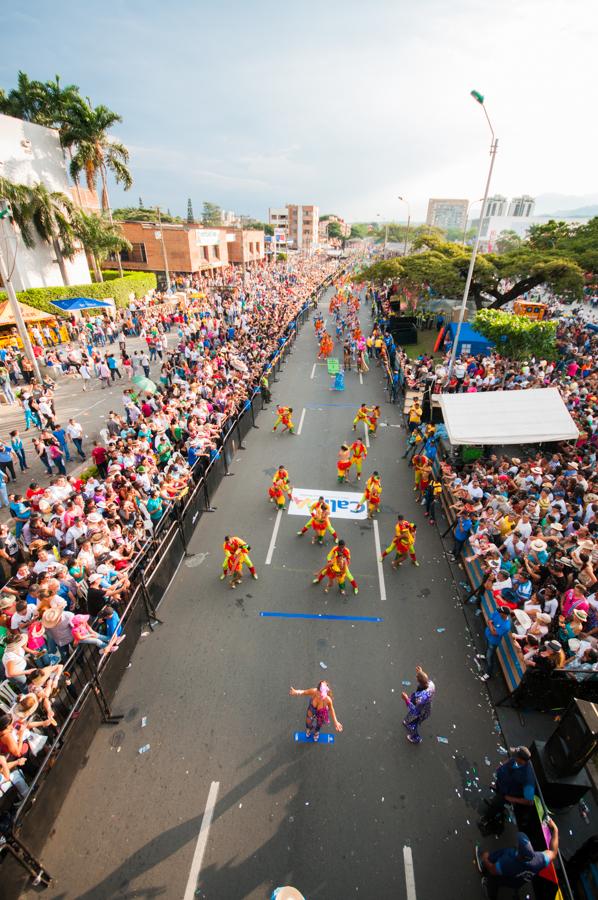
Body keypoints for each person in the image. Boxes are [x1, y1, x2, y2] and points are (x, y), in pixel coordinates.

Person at [477, 823, 559, 897]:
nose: (517, 843)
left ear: (520, 853)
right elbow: (553, 852)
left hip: (510, 876)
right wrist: (555, 829)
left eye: (519, 845)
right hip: (519, 882)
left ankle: (490, 892)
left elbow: (492, 870)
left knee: (495, 879)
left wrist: (485, 859)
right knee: (508, 851)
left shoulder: (509, 863)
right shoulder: (540, 859)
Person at [478, 747, 535, 833]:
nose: (513, 756)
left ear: (521, 760)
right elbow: (509, 761)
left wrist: (510, 799)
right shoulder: (516, 760)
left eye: (515, 756)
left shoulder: (528, 779)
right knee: (496, 799)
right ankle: (495, 801)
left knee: (496, 805)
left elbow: (529, 801)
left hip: (507, 794)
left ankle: (487, 819)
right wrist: (499, 768)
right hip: (501, 785)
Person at [402, 666, 435, 744]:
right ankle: (407, 722)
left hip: (422, 711)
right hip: (425, 705)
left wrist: (406, 699)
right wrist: (421, 673)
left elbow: (414, 710)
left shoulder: (420, 698)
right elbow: (425, 679)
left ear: (419, 681)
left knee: (414, 724)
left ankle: (416, 738)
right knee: (411, 716)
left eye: (417, 677)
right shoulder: (431, 684)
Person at [478, 606, 512, 681]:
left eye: (500, 612)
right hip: (487, 634)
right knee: (487, 647)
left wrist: (491, 625)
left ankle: (488, 673)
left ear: (504, 614)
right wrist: (491, 626)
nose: (498, 612)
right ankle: (484, 655)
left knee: (490, 657)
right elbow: (489, 620)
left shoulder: (506, 626)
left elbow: (494, 633)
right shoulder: (497, 612)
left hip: (493, 641)